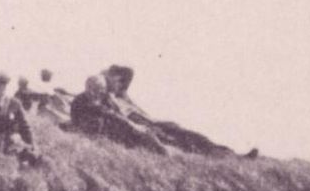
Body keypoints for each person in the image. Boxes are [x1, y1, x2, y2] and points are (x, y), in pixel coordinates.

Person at [101, 65, 249, 157]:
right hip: (141, 125)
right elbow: (122, 116)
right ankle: (219, 155)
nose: (121, 84)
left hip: (149, 122)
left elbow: (141, 112)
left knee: (186, 133)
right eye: (118, 80)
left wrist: (158, 121)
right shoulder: (108, 97)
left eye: (122, 81)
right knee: (179, 141)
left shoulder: (123, 97)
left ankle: (229, 153)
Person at [67, 74, 168, 154]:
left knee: (143, 133)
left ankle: (161, 150)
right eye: (90, 88)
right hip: (95, 130)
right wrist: (132, 125)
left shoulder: (105, 97)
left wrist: (132, 124)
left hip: (111, 126)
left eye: (97, 89)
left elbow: (117, 112)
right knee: (130, 133)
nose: (92, 92)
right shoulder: (80, 101)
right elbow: (109, 114)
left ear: (102, 89)